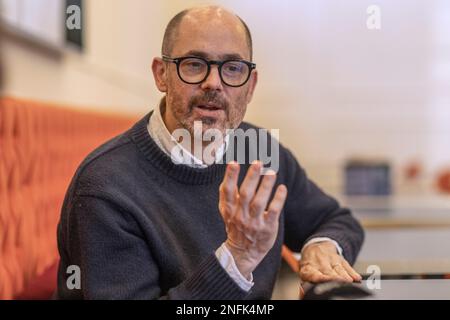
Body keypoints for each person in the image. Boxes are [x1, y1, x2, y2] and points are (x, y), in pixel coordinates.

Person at [56, 5, 364, 300]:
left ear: (251, 85)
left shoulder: (261, 150)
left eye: (232, 68)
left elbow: (337, 220)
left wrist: (322, 246)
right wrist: (237, 258)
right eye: (194, 64)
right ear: (161, 74)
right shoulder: (105, 187)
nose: (213, 83)